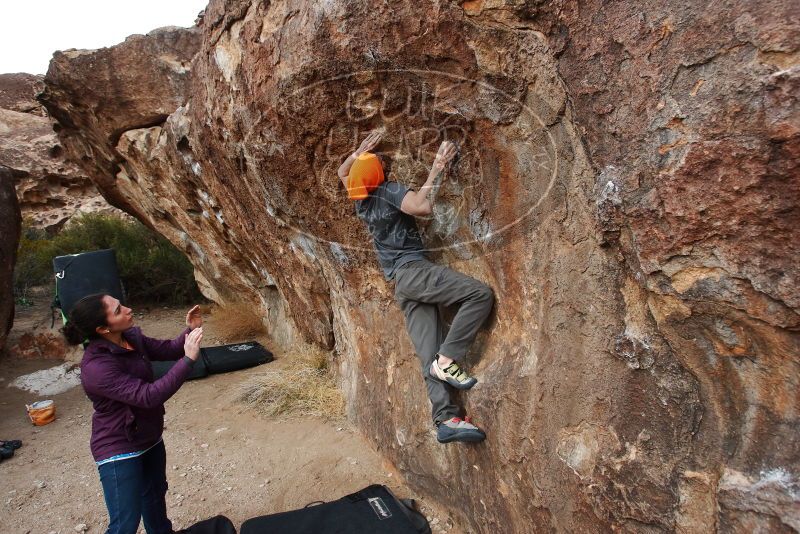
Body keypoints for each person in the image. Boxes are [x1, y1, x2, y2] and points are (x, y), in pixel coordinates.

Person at [337, 132, 495, 444]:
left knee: (427, 354)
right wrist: (437, 167)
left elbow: (343, 173)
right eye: (380, 161)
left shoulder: (361, 201)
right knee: (480, 294)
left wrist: (357, 153)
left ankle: (447, 419)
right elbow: (420, 208)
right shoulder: (388, 189)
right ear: (380, 174)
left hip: (401, 284)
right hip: (414, 271)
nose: (383, 161)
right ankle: (448, 360)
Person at [62, 293, 204, 534]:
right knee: (125, 524)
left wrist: (189, 331)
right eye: (118, 310)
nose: (128, 309)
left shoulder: (131, 337)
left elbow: (169, 349)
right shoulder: (97, 368)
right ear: (103, 329)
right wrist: (188, 361)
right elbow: (148, 396)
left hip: (149, 437)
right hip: (119, 448)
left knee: (155, 501)